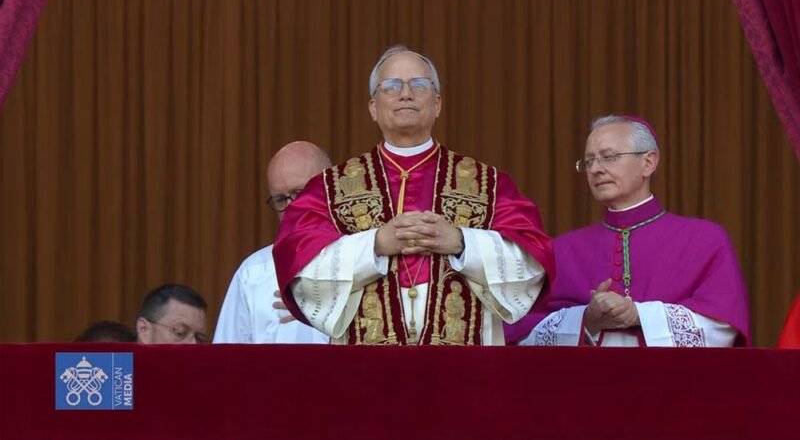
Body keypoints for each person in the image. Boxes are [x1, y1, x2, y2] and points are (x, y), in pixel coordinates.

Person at [274, 46, 554, 346]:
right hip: (365, 374)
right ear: (372, 106)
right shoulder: (330, 188)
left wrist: (462, 243)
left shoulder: (489, 184)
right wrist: (374, 245)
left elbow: (532, 262)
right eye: (391, 86)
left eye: (419, 85)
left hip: (463, 370)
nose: (405, 94)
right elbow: (301, 268)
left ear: (437, 103)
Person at [514, 115, 750, 347]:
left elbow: (723, 328)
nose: (596, 169)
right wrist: (586, 320)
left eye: (609, 157)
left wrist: (639, 315)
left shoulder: (705, 239)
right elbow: (524, 334)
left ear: (648, 163)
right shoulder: (562, 249)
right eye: (589, 161)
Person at [214, 141, 331, 344]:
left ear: (331, 189)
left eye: (299, 193)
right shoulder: (254, 271)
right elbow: (225, 361)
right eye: (280, 199)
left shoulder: (366, 256)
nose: (292, 207)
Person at [135, 284, 208, 344]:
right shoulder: (125, 361)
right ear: (144, 330)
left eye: (199, 339)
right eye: (180, 333)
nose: (193, 344)